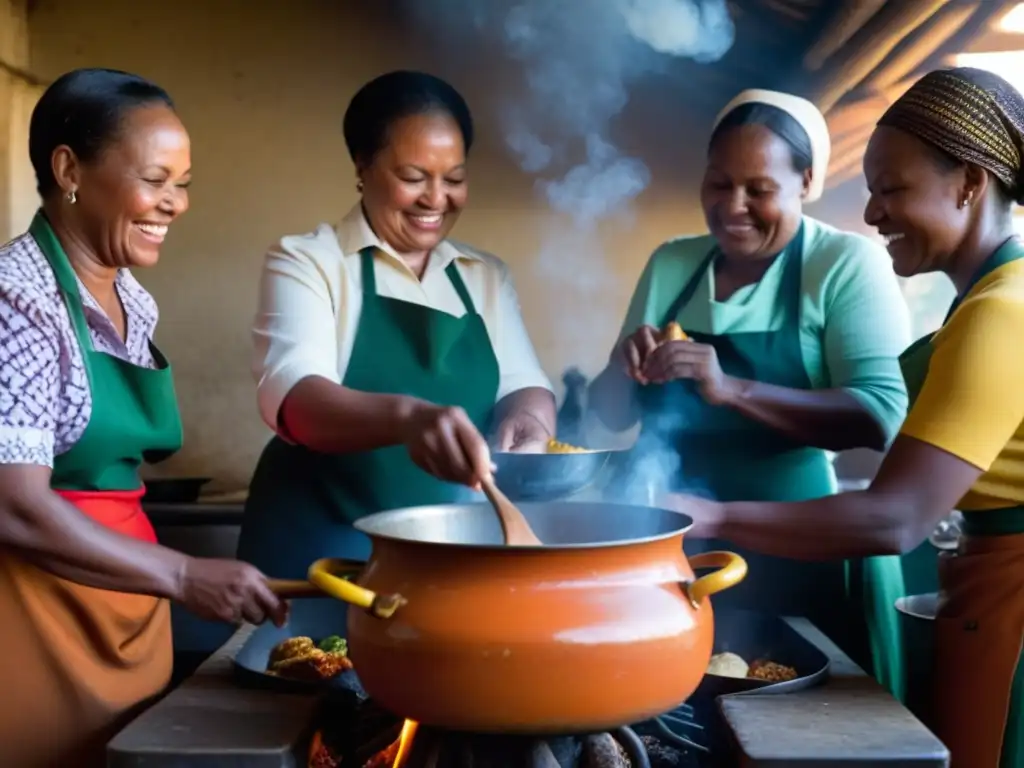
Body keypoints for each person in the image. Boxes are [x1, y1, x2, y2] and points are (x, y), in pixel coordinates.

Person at [676, 67, 1024, 767]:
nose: (871, 215)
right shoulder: (989, 299)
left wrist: (706, 517)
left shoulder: (1001, 313)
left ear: (969, 182)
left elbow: (893, 519)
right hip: (985, 595)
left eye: (891, 189)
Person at [0, 68, 287, 767]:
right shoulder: (17, 302)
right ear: (69, 169)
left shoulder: (132, 297)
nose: (175, 204)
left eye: (182, 183)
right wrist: (185, 577)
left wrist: (166, 578)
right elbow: (12, 506)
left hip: (125, 606)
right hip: (35, 617)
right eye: (156, 179)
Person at [588, 89, 911, 654]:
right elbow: (608, 417)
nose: (733, 206)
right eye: (718, 184)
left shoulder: (842, 264)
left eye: (759, 190)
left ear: (806, 183)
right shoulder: (673, 263)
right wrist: (622, 368)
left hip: (796, 543)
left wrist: (731, 389)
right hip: (670, 548)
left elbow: (879, 417)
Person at [237, 71, 555, 577]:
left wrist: (532, 426)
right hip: (321, 557)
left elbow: (524, 384)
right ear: (362, 166)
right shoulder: (309, 261)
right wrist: (410, 418)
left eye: (453, 178)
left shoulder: (483, 276)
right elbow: (296, 397)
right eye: (413, 177)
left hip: (447, 556)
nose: (436, 199)